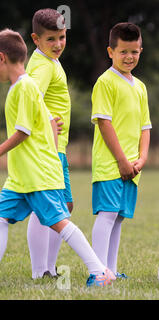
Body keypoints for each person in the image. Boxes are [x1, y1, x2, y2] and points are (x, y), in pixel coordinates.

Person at [0, 28, 115, 287]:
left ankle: (99, 271)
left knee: (60, 222)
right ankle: (44, 269)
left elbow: (22, 132)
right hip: (21, 176)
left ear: (2, 58)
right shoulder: (22, 87)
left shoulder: (25, 87)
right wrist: (52, 141)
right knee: (1, 218)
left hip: (37, 175)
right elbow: (50, 121)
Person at [90, 22, 151, 279]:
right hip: (110, 163)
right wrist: (122, 160)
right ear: (110, 51)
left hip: (132, 165)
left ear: (140, 51)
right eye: (123, 51)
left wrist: (142, 158)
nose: (129, 57)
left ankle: (111, 271)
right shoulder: (105, 82)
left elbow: (145, 127)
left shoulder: (140, 86)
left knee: (118, 218)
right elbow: (104, 123)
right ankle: (97, 272)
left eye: (134, 52)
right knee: (107, 213)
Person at [25, 8, 73, 279]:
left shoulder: (50, 61)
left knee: (64, 206)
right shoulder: (42, 65)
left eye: (62, 37)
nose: (58, 44)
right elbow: (29, 100)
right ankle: (40, 270)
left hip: (58, 148)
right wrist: (46, 126)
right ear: (36, 39)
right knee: (49, 207)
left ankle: (49, 268)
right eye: (51, 39)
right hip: (48, 148)